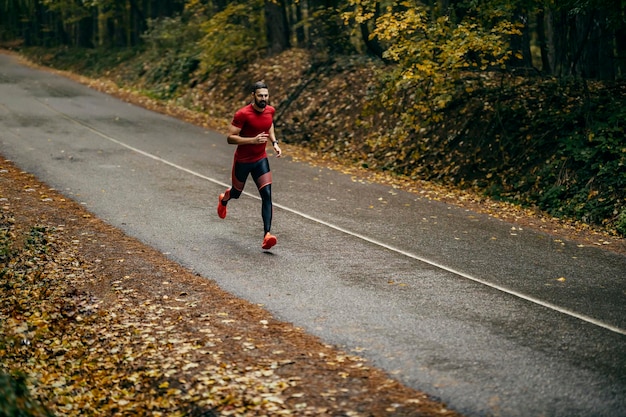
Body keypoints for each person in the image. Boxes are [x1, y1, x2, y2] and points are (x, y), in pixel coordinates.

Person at [217, 81, 282, 250]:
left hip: (260, 159)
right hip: (243, 161)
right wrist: (252, 140)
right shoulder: (243, 114)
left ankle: (267, 235)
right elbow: (230, 137)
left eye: (266, 96)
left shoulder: (270, 110)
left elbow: (269, 124)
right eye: (260, 95)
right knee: (236, 193)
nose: (264, 99)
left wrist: (274, 142)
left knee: (267, 194)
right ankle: (224, 199)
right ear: (253, 95)